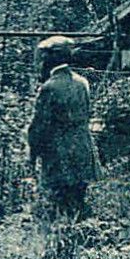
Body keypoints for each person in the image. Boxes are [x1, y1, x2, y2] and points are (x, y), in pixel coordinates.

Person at [28, 39, 99, 220]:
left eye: (42, 59)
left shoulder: (49, 87)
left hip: (60, 152)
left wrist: (33, 153)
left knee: (60, 203)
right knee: (79, 200)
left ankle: (65, 241)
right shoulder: (82, 82)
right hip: (82, 148)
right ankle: (83, 236)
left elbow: (39, 125)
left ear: (50, 60)